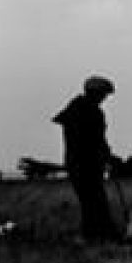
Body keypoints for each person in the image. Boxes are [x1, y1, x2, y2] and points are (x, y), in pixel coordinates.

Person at [52, 76, 122, 242]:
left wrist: (106, 155)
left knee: (92, 201)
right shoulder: (88, 112)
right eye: (103, 94)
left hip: (81, 163)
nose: (104, 99)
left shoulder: (77, 109)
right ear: (94, 93)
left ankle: (100, 235)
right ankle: (98, 236)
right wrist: (107, 156)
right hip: (85, 164)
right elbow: (94, 139)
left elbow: (97, 139)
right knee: (93, 201)